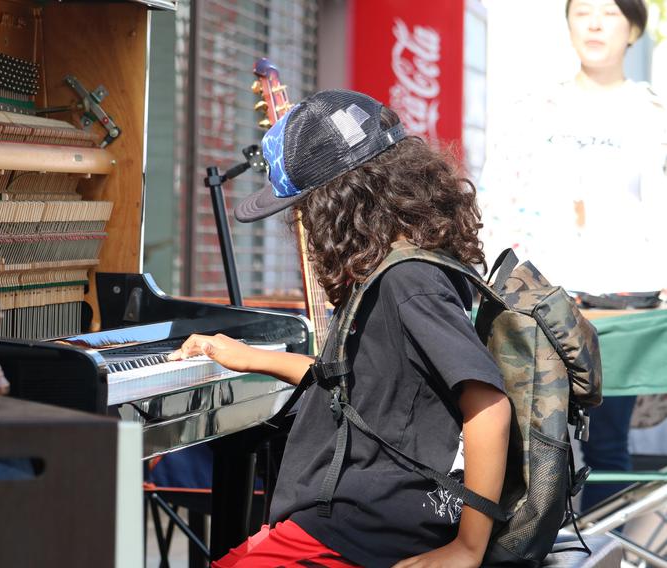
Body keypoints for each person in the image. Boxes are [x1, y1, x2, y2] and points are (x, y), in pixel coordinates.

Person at [169, 89, 511, 568]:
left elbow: (489, 403)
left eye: (306, 209)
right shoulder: (398, 269)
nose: (303, 224)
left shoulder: (408, 280)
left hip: (368, 524)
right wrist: (247, 356)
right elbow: (363, 381)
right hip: (351, 515)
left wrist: (467, 548)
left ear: (339, 205)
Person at [478, 0, 667, 510]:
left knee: (609, 444)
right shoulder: (536, 110)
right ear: (568, 26)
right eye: (583, 12)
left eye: (609, 13)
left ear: (632, 28)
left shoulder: (654, 112)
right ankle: (547, 550)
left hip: (631, 303)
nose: (595, 24)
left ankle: (608, 554)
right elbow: (497, 199)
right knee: (540, 442)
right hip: (548, 305)